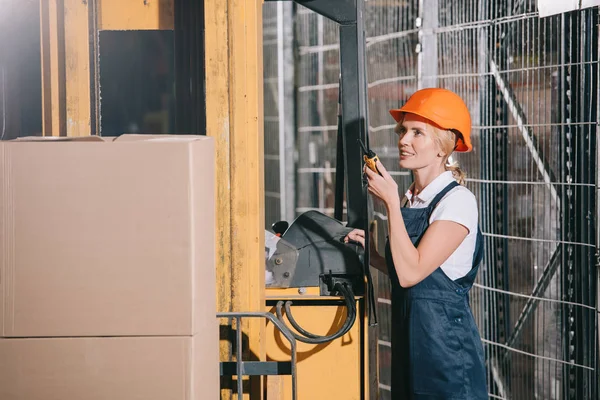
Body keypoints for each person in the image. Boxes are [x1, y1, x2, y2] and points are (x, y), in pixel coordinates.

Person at [345, 88, 488, 399]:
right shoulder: (412, 199)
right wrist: (375, 257)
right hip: (411, 346)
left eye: (417, 133)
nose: (403, 140)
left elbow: (412, 273)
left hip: (445, 355)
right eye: (403, 130)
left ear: (442, 146)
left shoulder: (458, 201)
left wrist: (391, 205)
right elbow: (410, 270)